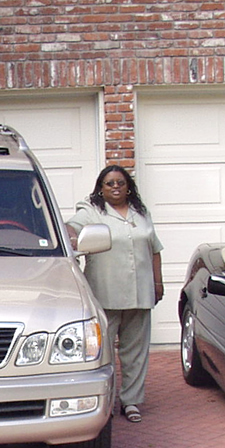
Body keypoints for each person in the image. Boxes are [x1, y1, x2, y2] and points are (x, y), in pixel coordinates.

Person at [67, 165, 164, 423]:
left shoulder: (141, 213)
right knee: (103, 352)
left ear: (128, 186)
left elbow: (154, 249)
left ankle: (131, 401)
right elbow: (71, 229)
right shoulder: (91, 211)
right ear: (101, 187)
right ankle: (105, 403)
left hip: (140, 292)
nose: (115, 187)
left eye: (120, 182)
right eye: (109, 183)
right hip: (105, 294)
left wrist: (158, 283)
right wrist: (68, 235)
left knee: (135, 352)